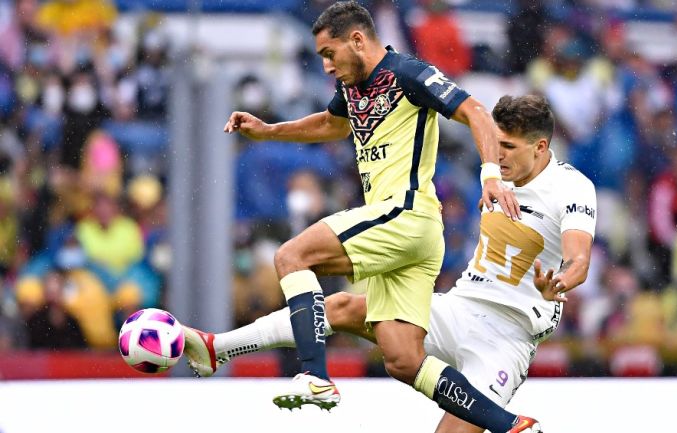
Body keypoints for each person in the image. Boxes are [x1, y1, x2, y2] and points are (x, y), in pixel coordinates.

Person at [189, 1, 526, 431]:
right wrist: (271, 130)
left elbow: (476, 111)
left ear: (357, 39)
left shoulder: (409, 74)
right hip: (412, 234)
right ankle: (509, 424)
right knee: (403, 359)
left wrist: (491, 174)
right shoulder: (352, 87)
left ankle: (314, 375)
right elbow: (331, 124)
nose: (327, 66)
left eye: (329, 54)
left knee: (292, 257)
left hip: (404, 213)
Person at [184, 95, 597, 433]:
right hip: (459, 307)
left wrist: (559, 282)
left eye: (508, 147)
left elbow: (579, 259)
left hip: (509, 337)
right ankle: (217, 348)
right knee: (340, 308)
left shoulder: (571, 187)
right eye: (495, 142)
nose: (497, 154)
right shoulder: (495, 174)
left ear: (541, 147)